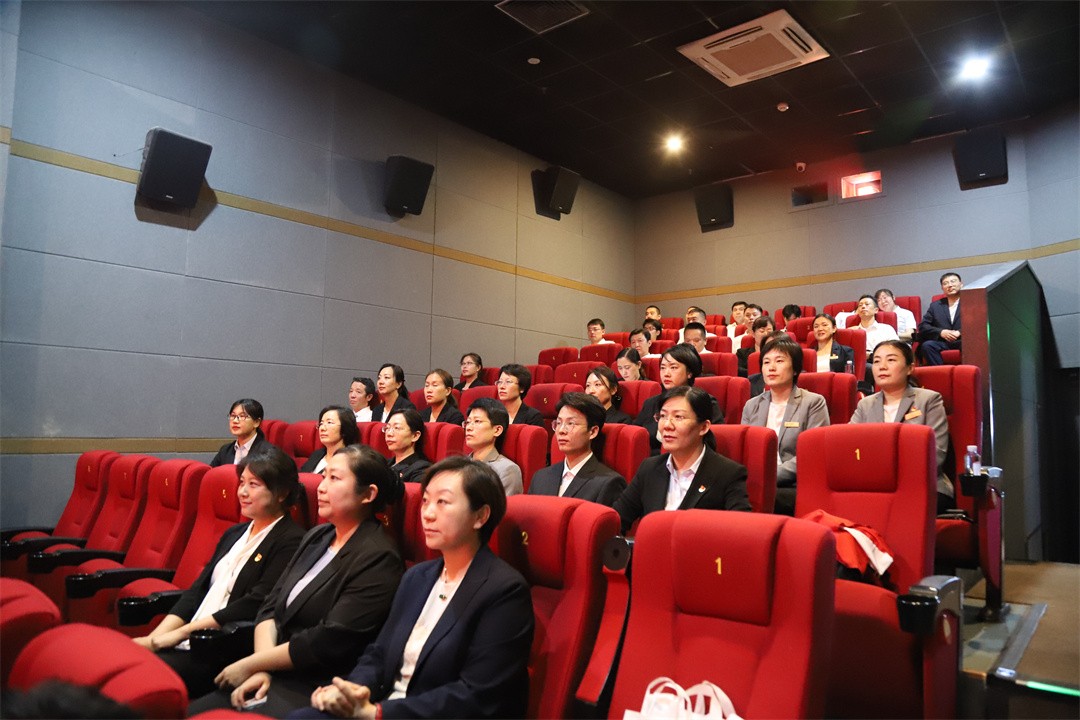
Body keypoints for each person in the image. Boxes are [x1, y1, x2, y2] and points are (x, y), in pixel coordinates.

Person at [295, 457, 534, 720]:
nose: (428, 513)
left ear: (480, 516)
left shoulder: (504, 590)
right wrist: (352, 690)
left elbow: (477, 695)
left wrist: (377, 713)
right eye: (425, 501)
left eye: (443, 502)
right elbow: (379, 652)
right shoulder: (417, 577)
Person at [187, 445, 404, 716]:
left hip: (317, 683)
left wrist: (253, 664)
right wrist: (262, 668)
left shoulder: (378, 557)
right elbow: (270, 605)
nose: (321, 488)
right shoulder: (318, 536)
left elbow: (327, 641)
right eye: (323, 477)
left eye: (334, 478)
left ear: (368, 494)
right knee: (193, 711)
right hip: (274, 668)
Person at [135, 447, 306, 697]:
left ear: (282, 493)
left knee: (141, 678)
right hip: (190, 638)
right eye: (242, 483)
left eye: (254, 485)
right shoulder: (234, 533)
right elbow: (198, 590)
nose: (242, 492)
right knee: (127, 661)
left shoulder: (291, 540)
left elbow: (256, 602)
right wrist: (154, 639)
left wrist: (181, 633)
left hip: (223, 647)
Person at [615, 386, 750, 533]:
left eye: (679, 417)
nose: (667, 425)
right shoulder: (650, 468)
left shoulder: (728, 474)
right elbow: (616, 521)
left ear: (703, 427)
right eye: (663, 416)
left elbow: (740, 534)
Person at [851, 340, 953, 513]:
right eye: (876, 361)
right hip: (874, 486)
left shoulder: (928, 400)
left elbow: (936, 452)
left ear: (909, 368)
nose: (882, 367)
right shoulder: (865, 405)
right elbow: (850, 447)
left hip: (923, 486)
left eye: (891, 360)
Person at [740, 339, 829, 516]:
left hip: (794, 484)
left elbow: (812, 455)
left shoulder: (813, 403)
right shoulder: (752, 405)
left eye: (779, 361)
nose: (771, 368)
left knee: (760, 499)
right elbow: (745, 451)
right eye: (766, 362)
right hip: (756, 482)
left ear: (795, 369)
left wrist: (769, 476)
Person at [529, 393, 625, 506]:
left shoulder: (609, 483)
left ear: (592, 432)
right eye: (558, 423)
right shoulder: (540, 477)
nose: (561, 430)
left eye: (571, 423)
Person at [633, 344, 723, 455]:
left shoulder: (705, 402)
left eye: (673, 368)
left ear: (689, 373)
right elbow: (636, 438)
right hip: (652, 461)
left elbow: (712, 441)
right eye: (663, 368)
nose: (666, 374)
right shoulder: (651, 403)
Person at [463, 398, 522, 496]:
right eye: (468, 422)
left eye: (477, 421)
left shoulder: (507, 469)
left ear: (497, 430)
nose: (468, 428)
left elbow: (507, 505)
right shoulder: (459, 464)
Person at [211, 399, 274, 467]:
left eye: (242, 416)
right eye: (233, 416)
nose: (235, 421)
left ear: (256, 422)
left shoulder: (267, 453)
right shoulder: (225, 450)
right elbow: (211, 472)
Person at [918, 272, 963, 365]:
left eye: (953, 281)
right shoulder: (935, 306)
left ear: (961, 284)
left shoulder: (970, 302)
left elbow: (978, 323)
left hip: (963, 340)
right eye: (945, 283)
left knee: (972, 344)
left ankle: (968, 372)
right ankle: (941, 372)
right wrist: (941, 332)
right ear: (942, 288)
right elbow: (923, 326)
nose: (950, 285)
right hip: (943, 342)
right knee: (927, 346)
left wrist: (959, 332)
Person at [302, 407, 361, 474]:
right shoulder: (317, 454)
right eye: (321, 424)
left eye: (329, 422)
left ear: (345, 428)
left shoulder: (350, 460)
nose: (322, 428)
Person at [385, 409, 431, 485]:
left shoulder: (422, 469)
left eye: (397, 428)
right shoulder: (384, 464)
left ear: (415, 436)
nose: (389, 434)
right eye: (387, 428)